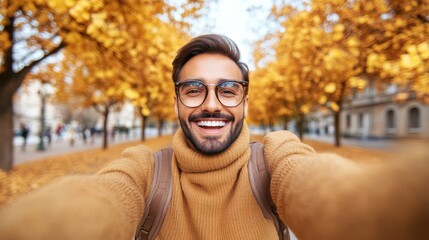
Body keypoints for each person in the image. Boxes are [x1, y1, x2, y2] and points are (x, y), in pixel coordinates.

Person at [1, 34, 428, 240]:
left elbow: (331, 192)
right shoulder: (144, 170)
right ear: (177, 102)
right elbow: (95, 200)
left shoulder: (274, 156)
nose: (211, 104)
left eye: (227, 89)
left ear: (244, 102)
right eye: (194, 89)